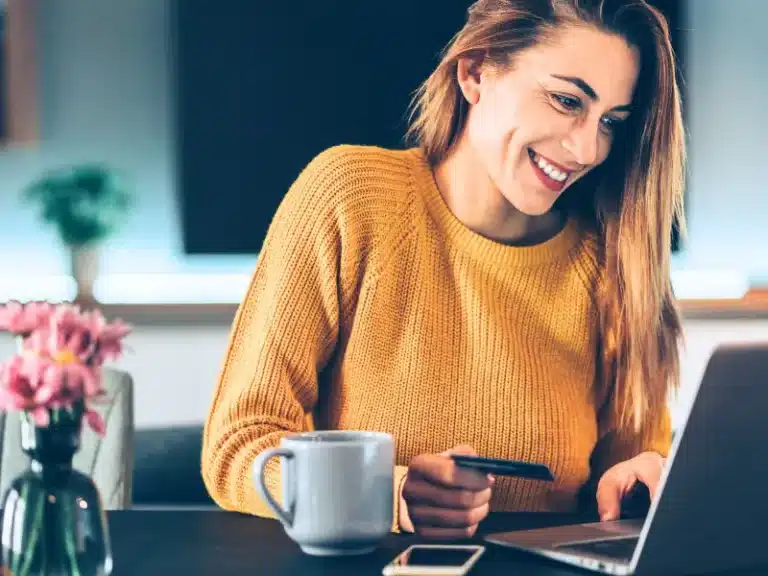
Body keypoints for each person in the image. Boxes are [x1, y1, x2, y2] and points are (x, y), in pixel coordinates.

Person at [201, 0, 685, 539]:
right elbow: (238, 446)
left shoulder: (612, 260)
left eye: (611, 123)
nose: (587, 147)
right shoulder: (349, 199)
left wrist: (641, 480)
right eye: (566, 99)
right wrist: (386, 494)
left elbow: (635, 466)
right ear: (476, 72)